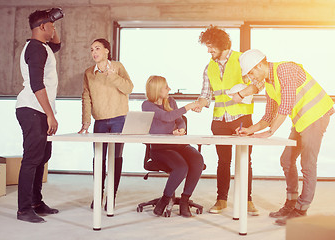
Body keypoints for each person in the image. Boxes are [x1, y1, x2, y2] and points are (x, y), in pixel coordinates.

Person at [237, 49, 334, 225]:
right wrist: (250, 130)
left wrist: (270, 131)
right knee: (287, 160)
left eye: (251, 72)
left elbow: (286, 105)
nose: (251, 78)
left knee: (308, 164)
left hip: (317, 116)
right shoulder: (269, 85)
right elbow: (268, 116)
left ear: (260, 65)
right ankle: (291, 203)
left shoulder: (285, 70)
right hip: (302, 121)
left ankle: (301, 209)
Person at [194, 26, 262, 215]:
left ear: (221, 44)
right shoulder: (209, 67)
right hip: (219, 120)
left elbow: (259, 83)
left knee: (245, 160)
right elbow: (205, 95)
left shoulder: (241, 60)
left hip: (242, 118)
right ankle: (221, 200)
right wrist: (200, 104)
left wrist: (242, 93)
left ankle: (247, 200)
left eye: (211, 47)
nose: (208, 51)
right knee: (223, 161)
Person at [15, 8, 64, 223]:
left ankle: (36, 202)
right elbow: (37, 84)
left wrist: (53, 19)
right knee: (32, 159)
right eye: (51, 25)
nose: (54, 29)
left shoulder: (43, 47)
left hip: (39, 110)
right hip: (32, 109)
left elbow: (58, 44)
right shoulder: (35, 49)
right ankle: (24, 210)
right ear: (42, 27)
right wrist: (50, 115)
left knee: (42, 158)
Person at [78, 38, 134, 209]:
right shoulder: (89, 72)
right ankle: (98, 194)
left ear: (106, 51)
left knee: (115, 158)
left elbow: (128, 88)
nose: (94, 52)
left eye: (97, 48)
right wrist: (86, 121)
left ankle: (112, 196)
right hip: (99, 121)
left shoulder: (118, 67)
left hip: (119, 119)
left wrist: (112, 76)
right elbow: (86, 97)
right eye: (91, 49)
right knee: (99, 159)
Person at [142, 75, 204, 217]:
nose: (169, 88)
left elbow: (179, 120)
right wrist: (188, 107)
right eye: (166, 87)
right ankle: (164, 199)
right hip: (160, 148)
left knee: (197, 159)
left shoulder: (171, 101)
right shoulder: (147, 105)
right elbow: (167, 117)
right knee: (181, 166)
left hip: (178, 145)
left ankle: (184, 200)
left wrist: (181, 129)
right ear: (157, 90)